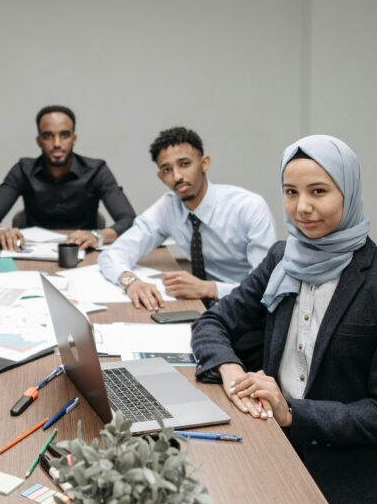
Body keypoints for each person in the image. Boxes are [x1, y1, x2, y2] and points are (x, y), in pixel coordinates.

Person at [191, 134, 377, 504]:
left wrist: (292, 411)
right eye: (290, 192)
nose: (302, 208)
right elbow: (213, 321)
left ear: (348, 193)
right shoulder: (285, 257)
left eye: (319, 191)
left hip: (348, 481)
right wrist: (230, 369)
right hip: (274, 444)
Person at [98, 126, 276, 369]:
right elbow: (114, 253)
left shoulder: (248, 207)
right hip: (201, 311)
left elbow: (267, 288)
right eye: (167, 170)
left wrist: (209, 288)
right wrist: (131, 281)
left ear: (204, 163)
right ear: (161, 177)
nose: (177, 176)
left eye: (184, 164)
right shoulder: (169, 206)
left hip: (248, 316)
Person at [0, 105, 136, 251]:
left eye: (65, 135)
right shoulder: (23, 170)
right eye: (48, 136)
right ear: (39, 141)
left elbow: (128, 219)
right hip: (32, 254)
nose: (57, 143)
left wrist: (98, 235)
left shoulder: (96, 170)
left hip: (84, 253)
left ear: (74, 139)